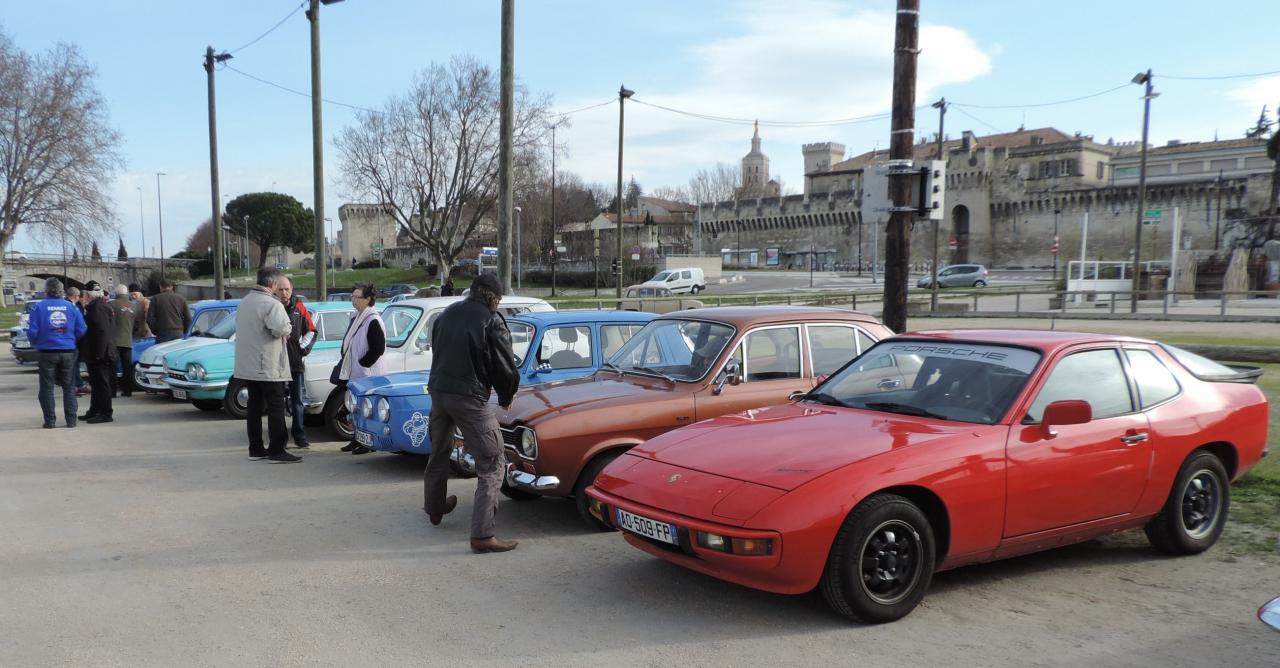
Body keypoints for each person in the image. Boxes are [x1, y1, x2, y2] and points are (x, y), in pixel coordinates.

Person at [421, 273, 520, 554]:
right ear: (492, 297)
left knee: (439, 451)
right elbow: (504, 365)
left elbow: (438, 351)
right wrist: (506, 396)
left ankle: (435, 507)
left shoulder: (447, 313)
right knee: (492, 461)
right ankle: (483, 535)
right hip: (470, 397)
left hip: (439, 392)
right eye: (497, 300)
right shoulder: (491, 320)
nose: (497, 304)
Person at [233, 268, 299, 463]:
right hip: (268, 364)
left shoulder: (244, 302)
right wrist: (288, 327)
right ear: (272, 285)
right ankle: (277, 450)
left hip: (248, 364)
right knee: (276, 405)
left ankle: (256, 448)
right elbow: (282, 328)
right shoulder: (271, 304)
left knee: (254, 406)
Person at [28, 278, 87, 428]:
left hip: (46, 351)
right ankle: (71, 420)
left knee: (47, 388)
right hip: (68, 350)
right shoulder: (71, 307)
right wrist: (70, 338)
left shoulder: (38, 307)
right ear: (61, 291)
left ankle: (50, 421)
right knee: (69, 387)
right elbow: (82, 329)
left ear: (46, 290)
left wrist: (36, 343)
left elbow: (32, 331)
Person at [338, 283, 386, 455]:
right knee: (355, 410)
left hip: (368, 375)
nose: (353, 300)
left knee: (368, 411)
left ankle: (368, 443)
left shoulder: (373, 319)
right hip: (356, 374)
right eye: (352, 296)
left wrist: (363, 363)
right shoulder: (356, 316)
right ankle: (356, 439)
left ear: (367, 299)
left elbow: (378, 348)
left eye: (356, 297)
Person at [276, 277, 316, 448]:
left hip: (294, 364)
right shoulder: (272, 306)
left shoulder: (299, 306)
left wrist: (302, 350)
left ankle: (299, 436)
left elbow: (312, 331)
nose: (284, 293)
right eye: (281, 290)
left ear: (292, 289)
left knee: (297, 401)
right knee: (277, 402)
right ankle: (280, 439)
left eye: (287, 289)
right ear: (274, 289)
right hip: (275, 364)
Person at [79, 281, 116, 424]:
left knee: (102, 383)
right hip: (98, 351)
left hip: (100, 353)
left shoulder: (97, 308)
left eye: (85, 294)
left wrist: (99, 353)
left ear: (88, 294)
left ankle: (106, 413)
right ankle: (94, 410)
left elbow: (102, 331)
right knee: (96, 383)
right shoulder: (99, 305)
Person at [110, 284, 144, 398]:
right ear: (127, 293)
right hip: (128, 339)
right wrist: (131, 333)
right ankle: (127, 390)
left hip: (114, 340)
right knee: (127, 367)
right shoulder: (135, 306)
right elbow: (138, 324)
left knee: (113, 367)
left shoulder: (111, 304)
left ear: (116, 293)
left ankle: (112, 392)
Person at [66, 287, 90, 397]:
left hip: (64, 341)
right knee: (72, 366)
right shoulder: (73, 307)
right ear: (76, 296)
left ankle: (77, 385)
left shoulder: (65, 305)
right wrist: (77, 337)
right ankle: (75, 387)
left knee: (72, 366)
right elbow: (81, 327)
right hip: (71, 341)